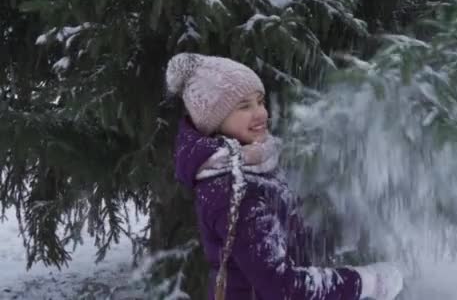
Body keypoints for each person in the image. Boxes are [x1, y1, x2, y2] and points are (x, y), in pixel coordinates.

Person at [167, 53, 403, 300]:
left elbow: (289, 234)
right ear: (214, 121)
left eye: (260, 101)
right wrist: (368, 283)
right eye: (244, 106)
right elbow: (282, 288)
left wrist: (347, 233)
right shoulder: (231, 189)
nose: (260, 113)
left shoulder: (255, 163)